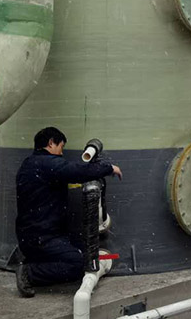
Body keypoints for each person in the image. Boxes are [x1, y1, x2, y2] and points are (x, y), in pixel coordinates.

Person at [14, 126, 123, 298]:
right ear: (51, 143)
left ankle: (34, 261)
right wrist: (108, 168)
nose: (62, 153)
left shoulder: (29, 164)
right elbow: (76, 171)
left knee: (75, 250)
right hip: (42, 237)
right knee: (78, 264)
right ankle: (30, 272)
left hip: (30, 235)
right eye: (61, 147)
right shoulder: (46, 164)